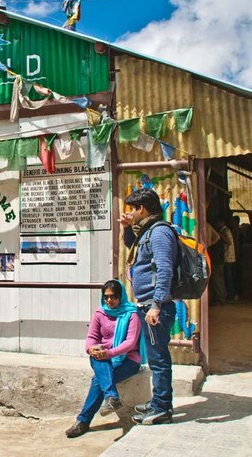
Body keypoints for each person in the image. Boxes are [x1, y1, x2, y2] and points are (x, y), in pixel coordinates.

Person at [121, 188, 178, 425]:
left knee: (159, 360)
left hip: (157, 308)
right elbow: (132, 247)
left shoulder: (159, 232)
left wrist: (156, 305)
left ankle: (162, 408)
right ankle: (158, 402)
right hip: (149, 306)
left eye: (132, 210)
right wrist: (126, 227)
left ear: (141, 209)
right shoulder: (147, 231)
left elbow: (164, 269)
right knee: (156, 358)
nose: (130, 214)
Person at [65, 280, 143, 438]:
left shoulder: (132, 314)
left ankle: (83, 421)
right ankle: (111, 397)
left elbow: (130, 343)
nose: (109, 300)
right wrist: (91, 348)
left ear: (121, 296)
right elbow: (92, 337)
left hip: (129, 359)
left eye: (113, 296)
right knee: (96, 356)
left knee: (98, 381)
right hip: (105, 358)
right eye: (106, 296)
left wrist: (108, 353)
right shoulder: (100, 313)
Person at [215, 218, 238, 302]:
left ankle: (232, 295)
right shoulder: (225, 230)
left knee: (228, 277)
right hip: (228, 257)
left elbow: (229, 242)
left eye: (218, 222)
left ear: (222, 222)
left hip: (228, 257)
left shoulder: (225, 231)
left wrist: (221, 236)